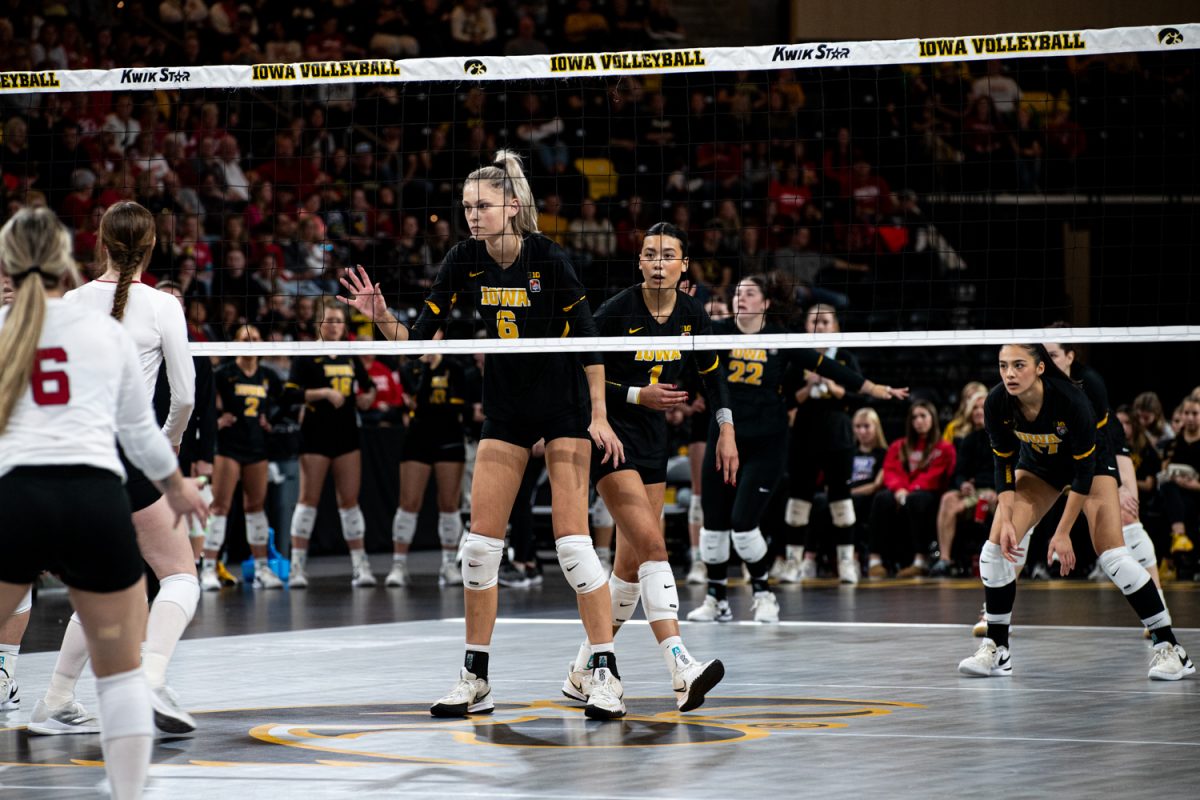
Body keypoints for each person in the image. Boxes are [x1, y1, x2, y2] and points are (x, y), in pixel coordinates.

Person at [337, 150, 627, 720]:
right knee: (478, 548)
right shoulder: (462, 260)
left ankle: (605, 673)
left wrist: (598, 413)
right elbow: (418, 340)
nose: (472, 215)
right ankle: (475, 679)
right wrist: (379, 315)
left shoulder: (548, 255)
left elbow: (589, 335)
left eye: (483, 206)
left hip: (563, 407)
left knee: (572, 545)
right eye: (467, 206)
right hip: (507, 409)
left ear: (512, 207)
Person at [0, 206, 207, 799]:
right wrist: (177, 481)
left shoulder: (23, 322)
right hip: (97, 489)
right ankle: (121, 769)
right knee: (123, 674)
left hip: (18, 491)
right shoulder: (114, 327)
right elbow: (146, 428)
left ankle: (54, 697)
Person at [561, 222, 736, 712]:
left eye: (668, 256)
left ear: (684, 267)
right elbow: (580, 371)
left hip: (655, 441)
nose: (658, 263)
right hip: (612, 440)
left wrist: (726, 428)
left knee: (630, 566)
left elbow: (714, 377)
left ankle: (581, 672)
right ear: (639, 263)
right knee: (654, 543)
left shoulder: (692, 315)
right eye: (650, 254)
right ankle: (681, 665)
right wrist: (638, 395)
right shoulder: (617, 311)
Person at [958, 344, 1192, 680]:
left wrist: (1063, 531)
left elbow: (1083, 475)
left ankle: (1170, 648)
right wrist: (1007, 520)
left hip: (1090, 467)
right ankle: (998, 649)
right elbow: (1003, 465)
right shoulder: (997, 401)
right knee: (995, 550)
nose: (1009, 374)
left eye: (1018, 365)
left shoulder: (1072, 399)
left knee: (1114, 559)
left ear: (1040, 368)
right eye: (1003, 366)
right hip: (1039, 466)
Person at [687, 275, 907, 623]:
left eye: (749, 294)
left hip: (766, 442)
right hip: (723, 437)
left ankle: (762, 593)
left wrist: (873, 388)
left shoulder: (778, 337)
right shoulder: (716, 331)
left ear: (766, 303)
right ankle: (717, 598)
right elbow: (683, 347)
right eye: (737, 293)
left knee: (744, 525)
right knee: (712, 527)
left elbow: (825, 366)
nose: (740, 299)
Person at [284, 299, 377, 588]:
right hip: (314, 435)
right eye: (331, 320)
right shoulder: (307, 355)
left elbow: (369, 387)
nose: (336, 326)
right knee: (307, 501)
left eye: (339, 321)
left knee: (349, 502)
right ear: (319, 323)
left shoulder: (350, 355)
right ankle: (297, 568)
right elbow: (289, 394)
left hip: (346, 435)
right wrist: (322, 392)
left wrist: (368, 397)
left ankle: (360, 566)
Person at [782, 304, 867, 585]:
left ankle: (847, 562)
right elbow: (786, 399)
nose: (819, 326)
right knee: (798, 501)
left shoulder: (844, 358)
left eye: (826, 321)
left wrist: (833, 386)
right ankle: (793, 563)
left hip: (838, 437)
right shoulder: (798, 360)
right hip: (804, 436)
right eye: (814, 321)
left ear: (836, 327)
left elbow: (860, 396)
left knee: (841, 499)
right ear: (806, 327)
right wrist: (809, 386)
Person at [200, 324, 285, 590]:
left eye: (257, 338)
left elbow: (283, 402)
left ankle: (261, 569)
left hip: (256, 446)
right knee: (220, 507)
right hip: (229, 447)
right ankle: (209, 568)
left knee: (256, 507)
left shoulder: (267, 375)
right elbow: (205, 403)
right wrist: (217, 419)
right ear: (236, 341)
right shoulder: (224, 373)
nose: (251, 342)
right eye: (246, 337)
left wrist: (270, 420)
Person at [387, 353, 469, 588]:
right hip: (418, 437)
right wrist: (428, 374)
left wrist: (426, 402)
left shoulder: (454, 365)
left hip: (449, 436)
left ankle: (448, 565)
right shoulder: (410, 367)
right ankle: (399, 565)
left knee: (449, 504)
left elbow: (459, 401)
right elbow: (413, 399)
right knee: (409, 502)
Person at [866, 400, 957, 578]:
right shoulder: (899, 445)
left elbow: (935, 476)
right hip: (902, 492)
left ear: (933, 419)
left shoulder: (944, 448)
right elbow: (891, 471)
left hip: (929, 494)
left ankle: (920, 561)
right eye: (914, 417)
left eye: (923, 416)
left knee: (917, 499)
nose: (918, 421)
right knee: (881, 498)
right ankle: (875, 560)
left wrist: (910, 490)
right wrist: (900, 490)